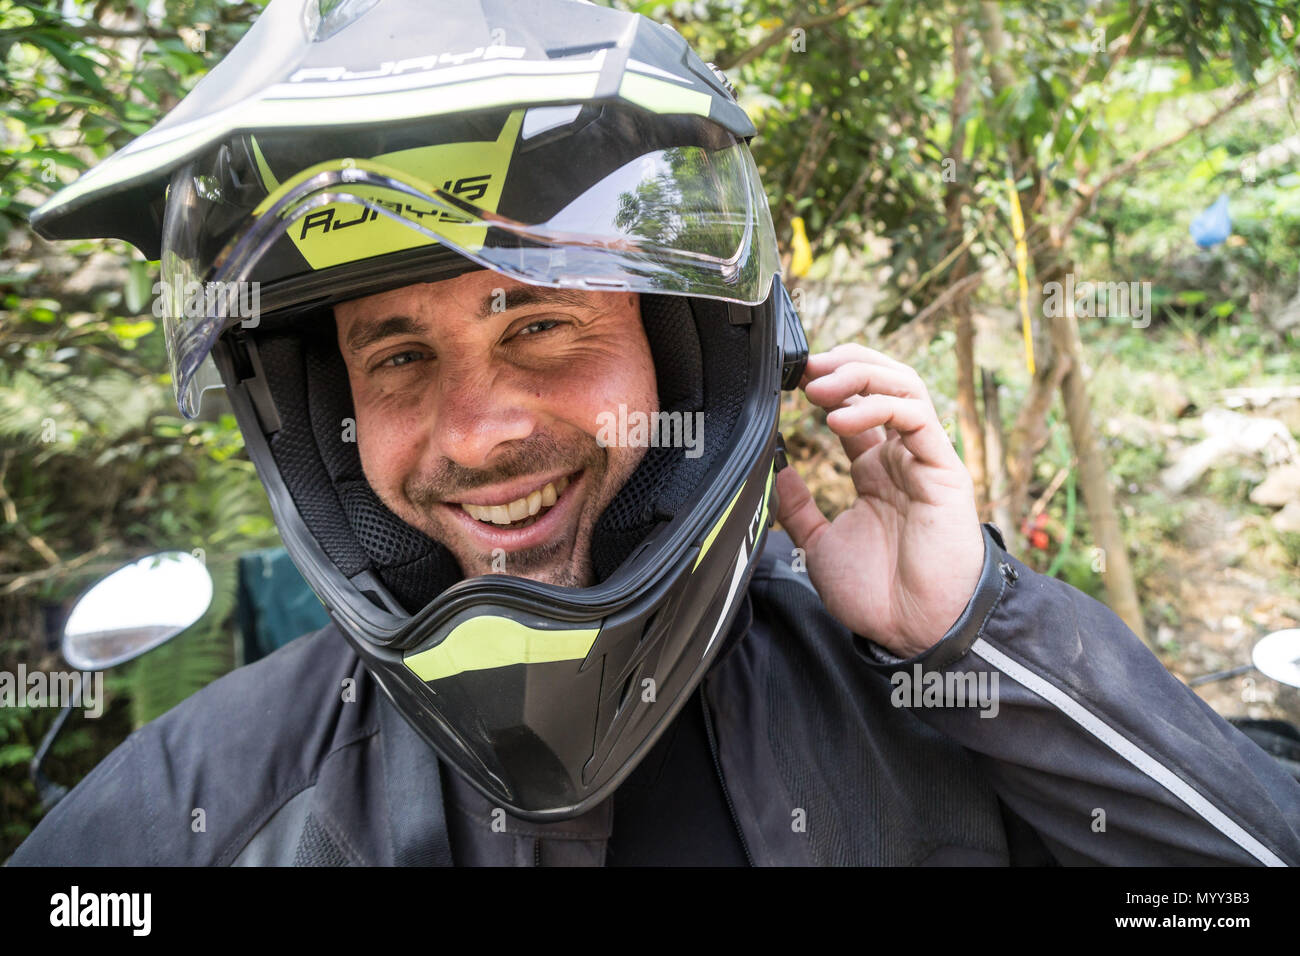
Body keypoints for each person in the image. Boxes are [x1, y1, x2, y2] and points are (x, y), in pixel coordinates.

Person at [11, 0, 1300, 866]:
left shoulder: (932, 702)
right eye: (398, 356)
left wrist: (982, 633)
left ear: (693, 349)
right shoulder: (199, 808)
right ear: (328, 424)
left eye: (542, 325)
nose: (476, 432)